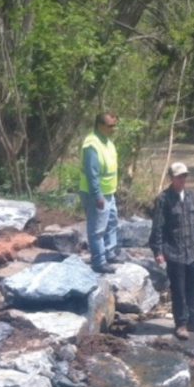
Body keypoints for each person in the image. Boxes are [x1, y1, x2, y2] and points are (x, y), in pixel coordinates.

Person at [150, 161, 194, 340]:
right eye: (179, 176)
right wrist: (157, 251)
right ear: (172, 178)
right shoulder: (163, 199)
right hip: (174, 252)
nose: (182, 179)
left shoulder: (191, 196)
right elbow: (157, 227)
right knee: (179, 290)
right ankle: (181, 325)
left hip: (192, 251)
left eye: (184, 176)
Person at [79, 112, 120, 274]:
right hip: (96, 194)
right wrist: (97, 195)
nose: (114, 129)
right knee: (97, 230)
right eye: (110, 126)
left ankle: (110, 253)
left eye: (115, 125)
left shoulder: (107, 141)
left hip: (110, 192)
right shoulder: (92, 145)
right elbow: (92, 173)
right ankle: (99, 261)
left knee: (111, 223)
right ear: (100, 126)